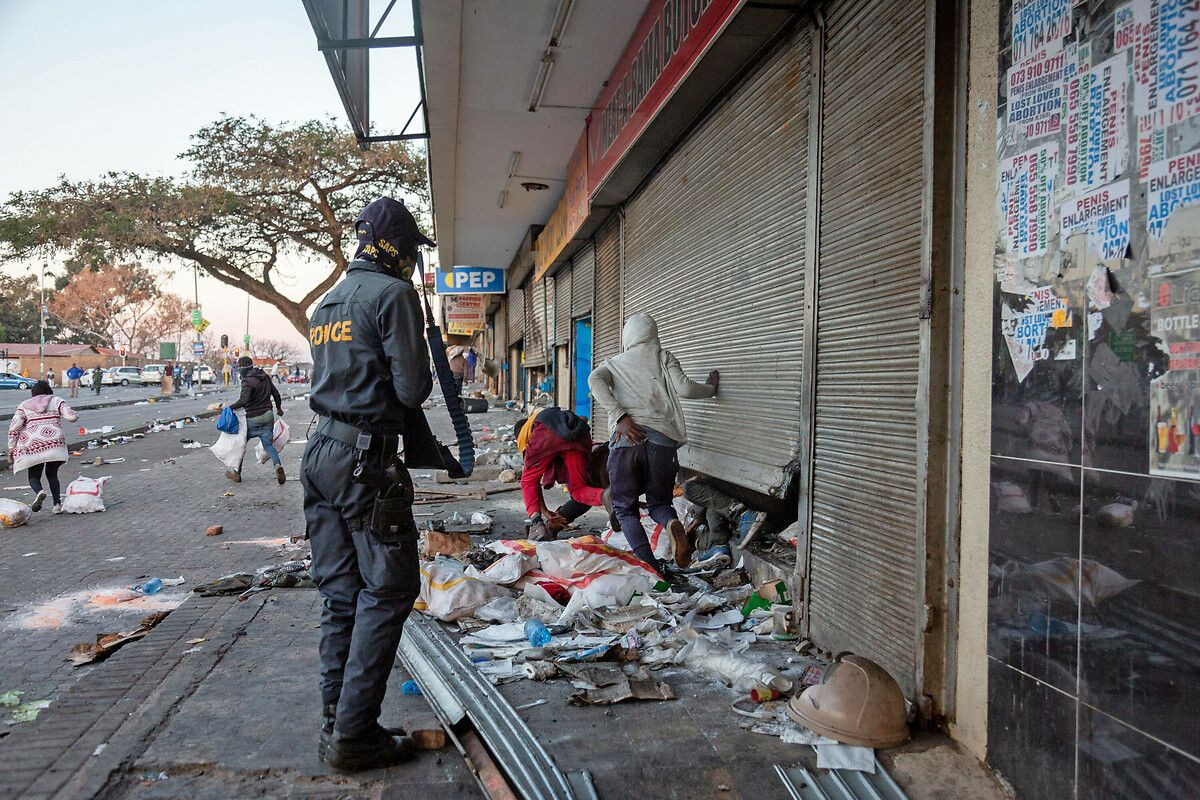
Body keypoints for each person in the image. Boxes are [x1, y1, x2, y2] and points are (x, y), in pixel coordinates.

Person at [302, 196, 444, 772]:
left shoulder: (326, 303)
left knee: (341, 595)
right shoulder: (393, 294)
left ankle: (338, 720)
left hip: (321, 453)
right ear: (397, 248)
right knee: (387, 589)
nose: (413, 261)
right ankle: (354, 735)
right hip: (365, 459)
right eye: (412, 250)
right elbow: (411, 391)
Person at [588, 313, 719, 577]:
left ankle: (650, 565)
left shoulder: (614, 363)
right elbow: (684, 389)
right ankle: (672, 523)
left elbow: (594, 380)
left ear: (628, 337)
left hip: (627, 442)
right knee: (659, 502)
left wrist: (621, 416)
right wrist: (710, 388)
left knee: (624, 508)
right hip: (663, 443)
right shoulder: (663, 357)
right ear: (653, 334)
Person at [517, 406, 610, 540]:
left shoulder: (524, 435)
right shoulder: (548, 417)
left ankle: (537, 526)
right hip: (579, 433)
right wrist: (544, 510)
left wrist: (538, 516)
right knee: (579, 490)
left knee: (527, 480)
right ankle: (606, 495)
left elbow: (531, 480)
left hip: (549, 434)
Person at [7, 381, 78, 515]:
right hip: (55, 443)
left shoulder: (24, 405)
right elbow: (72, 417)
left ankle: (39, 491)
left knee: (34, 476)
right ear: (48, 390)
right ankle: (57, 505)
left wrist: (11, 446)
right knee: (52, 475)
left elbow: (14, 427)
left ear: (33, 393)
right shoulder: (57, 400)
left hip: (33, 445)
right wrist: (74, 414)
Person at [225, 356, 285, 485]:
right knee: (268, 445)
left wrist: (229, 408)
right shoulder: (265, 376)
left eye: (239, 367)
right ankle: (278, 465)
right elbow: (276, 394)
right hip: (268, 415)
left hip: (253, 418)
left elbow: (244, 401)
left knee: (241, 444)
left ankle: (237, 473)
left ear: (243, 368)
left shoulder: (247, 381)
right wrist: (279, 408)